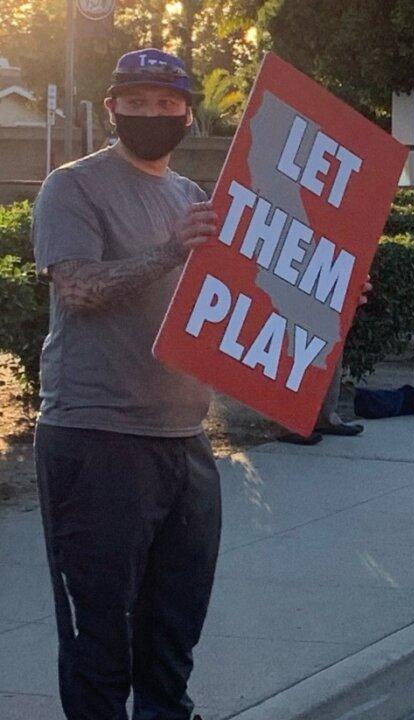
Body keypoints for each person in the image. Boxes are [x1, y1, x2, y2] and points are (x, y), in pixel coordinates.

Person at [31, 48, 221, 720]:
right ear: (111, 108)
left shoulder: (191, 196)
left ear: (187, 112)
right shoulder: (73, 185)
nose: (152, 114)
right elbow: (79, 288)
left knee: (171, 643)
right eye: (136, 102)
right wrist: (170, 250)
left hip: (186, 440)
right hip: (97, 437)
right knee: (100, 649)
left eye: (167, 103)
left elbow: (234, 301)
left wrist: (333, 302)